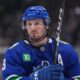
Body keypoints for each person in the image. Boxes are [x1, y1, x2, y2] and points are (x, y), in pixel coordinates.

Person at [2, 5, 80, 80]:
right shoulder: (15, 52)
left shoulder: (66, 50)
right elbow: (9, 78)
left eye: (37, 23)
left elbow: (77, 77)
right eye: (29, 24)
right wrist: (35, 78)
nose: (33, 28)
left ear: (46, 25)